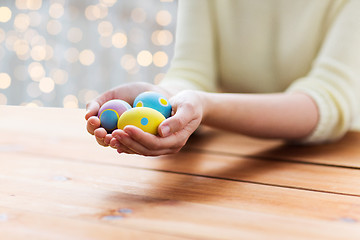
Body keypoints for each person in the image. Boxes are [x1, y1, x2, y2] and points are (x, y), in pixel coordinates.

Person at [85, 0, 360, 156]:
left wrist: (204, 107)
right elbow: (192, 72)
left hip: (336, 160)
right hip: (225, 153)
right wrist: (167, 98)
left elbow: (328, 102)